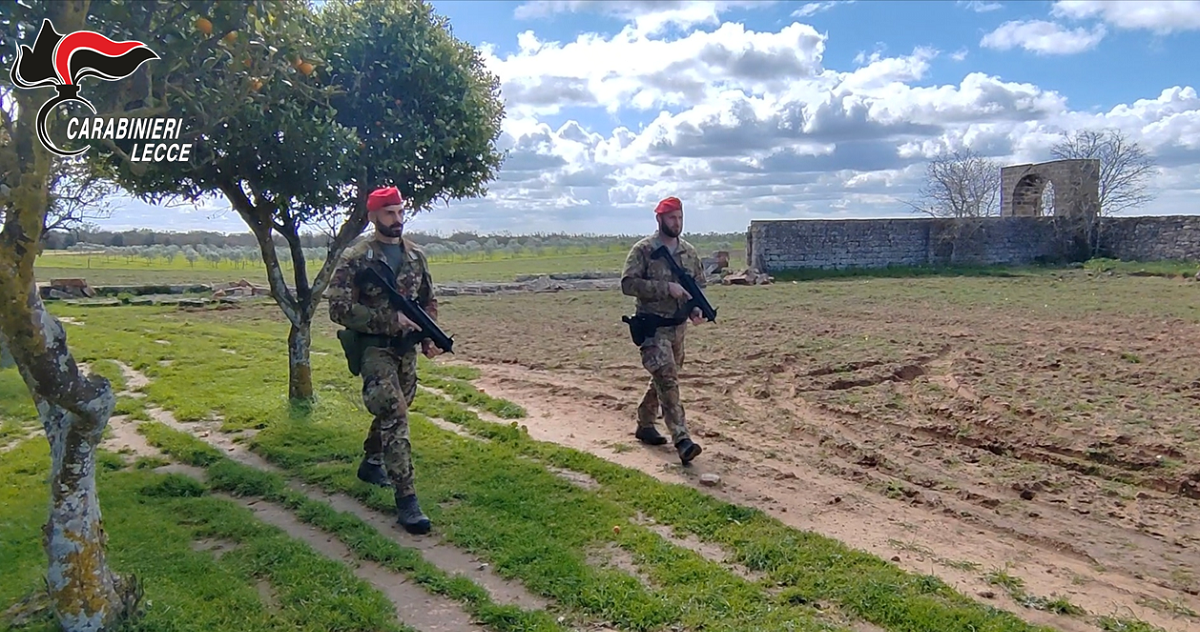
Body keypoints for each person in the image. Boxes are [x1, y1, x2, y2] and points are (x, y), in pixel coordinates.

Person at [326, 185, 442, 534]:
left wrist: (428, 336)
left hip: (405, 349)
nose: (398, 219)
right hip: (373, 348)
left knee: (401, 402)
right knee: (394, 411)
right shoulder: (357, 257)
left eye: (401, 211)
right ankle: (407, 499)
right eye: (390, 213)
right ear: (373, 216)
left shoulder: (415, 256)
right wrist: (389, 321)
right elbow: (338, 308)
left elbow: (427, 301)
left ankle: (371, 460)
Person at [620, 196, 707, 465]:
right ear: (659, 219)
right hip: (652, 327)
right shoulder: (643, 250)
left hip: (677, 329)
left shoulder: (689, 253)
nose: (677, 223)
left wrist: (695, 309)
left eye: (680, 217)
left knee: (663, 378)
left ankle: (645, 423)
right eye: (672, 218)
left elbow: (698, 287)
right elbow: (627, 284)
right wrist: (664, 288)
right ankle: (682, 439)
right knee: (667, 379)